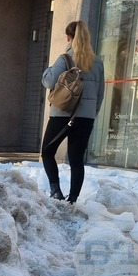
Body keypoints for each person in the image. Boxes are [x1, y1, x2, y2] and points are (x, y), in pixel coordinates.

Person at [40, 20, 105, 203]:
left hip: (61, 114)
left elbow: (49, 82)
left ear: (69, 37)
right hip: (85, 118)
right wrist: (91, 114)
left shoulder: (65, 58)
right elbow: (100, 94)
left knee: (47, 151)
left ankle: (56, 191)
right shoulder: (98, 63)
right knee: (76, 159)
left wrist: (47, 71)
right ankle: (73, 199)